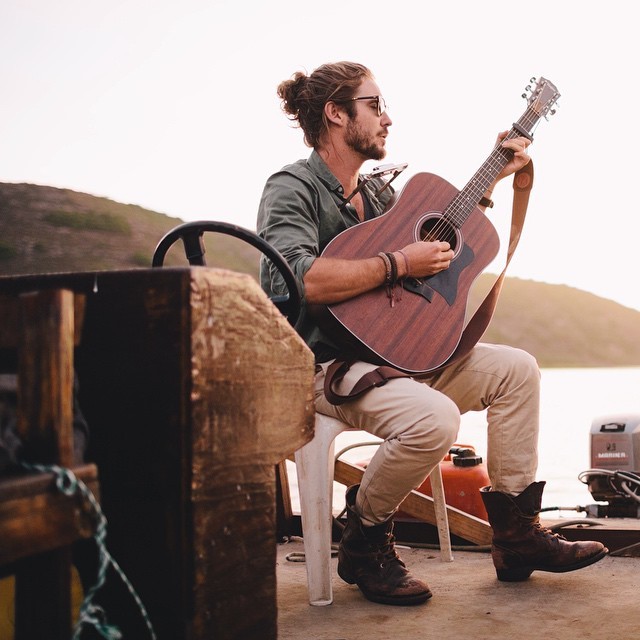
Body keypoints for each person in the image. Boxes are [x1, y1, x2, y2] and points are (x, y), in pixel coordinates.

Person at [257, 61, 607, 606]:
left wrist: (490, 177)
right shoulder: (292, 187)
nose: (387, 118)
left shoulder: (376, 196)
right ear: (335, 113)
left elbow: (438, 247)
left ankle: (516, 536)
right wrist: (397, 262)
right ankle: (365, 537)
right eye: (375, 106)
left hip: (399, 356)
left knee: (516, 369)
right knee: (435, 418)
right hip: (330, 368)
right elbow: (295, 278)